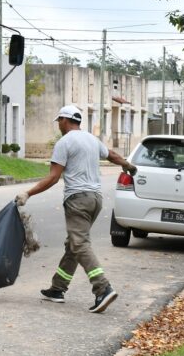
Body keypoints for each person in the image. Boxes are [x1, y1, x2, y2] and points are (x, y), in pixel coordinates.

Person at [14, 105, 137, 313]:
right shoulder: (91, 139)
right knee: (73, 243)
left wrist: (28, 193)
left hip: (78, 200)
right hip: (95, 200)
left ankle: (102, 288)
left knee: (79, 244)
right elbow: (112, 154)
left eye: (59, 121)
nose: (58, 125)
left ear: (65, 120)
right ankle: (57, 289)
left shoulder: (64, 142)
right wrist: (127, 165)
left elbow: (53, 177)